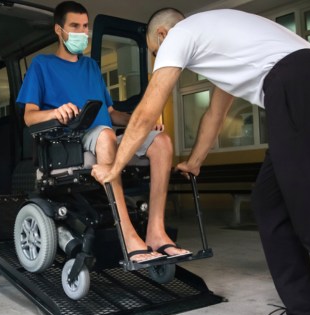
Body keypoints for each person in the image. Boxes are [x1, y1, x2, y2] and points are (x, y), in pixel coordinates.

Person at [91, 7, 310, 315]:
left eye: (157, 54)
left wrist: (114, 167)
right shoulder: (218, 40)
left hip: (299, 85)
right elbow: (216, 113)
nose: (162, 61)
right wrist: (195, 161)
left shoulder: (178, 36)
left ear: (161, 37)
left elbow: (145, 113)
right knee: (270, 205)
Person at [16, 1, 191, 263]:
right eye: (74, 26)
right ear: (59, 30)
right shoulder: (42, 65)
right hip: (71, 142)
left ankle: (156, 232)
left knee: (161, 141)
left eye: (84, 26)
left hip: (104, 135)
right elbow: (29, 116)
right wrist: (54, 112)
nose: (81, 32)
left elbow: (110, 115)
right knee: (106, 135)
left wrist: (138, 121)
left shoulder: (91, 67)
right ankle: (128, 235)